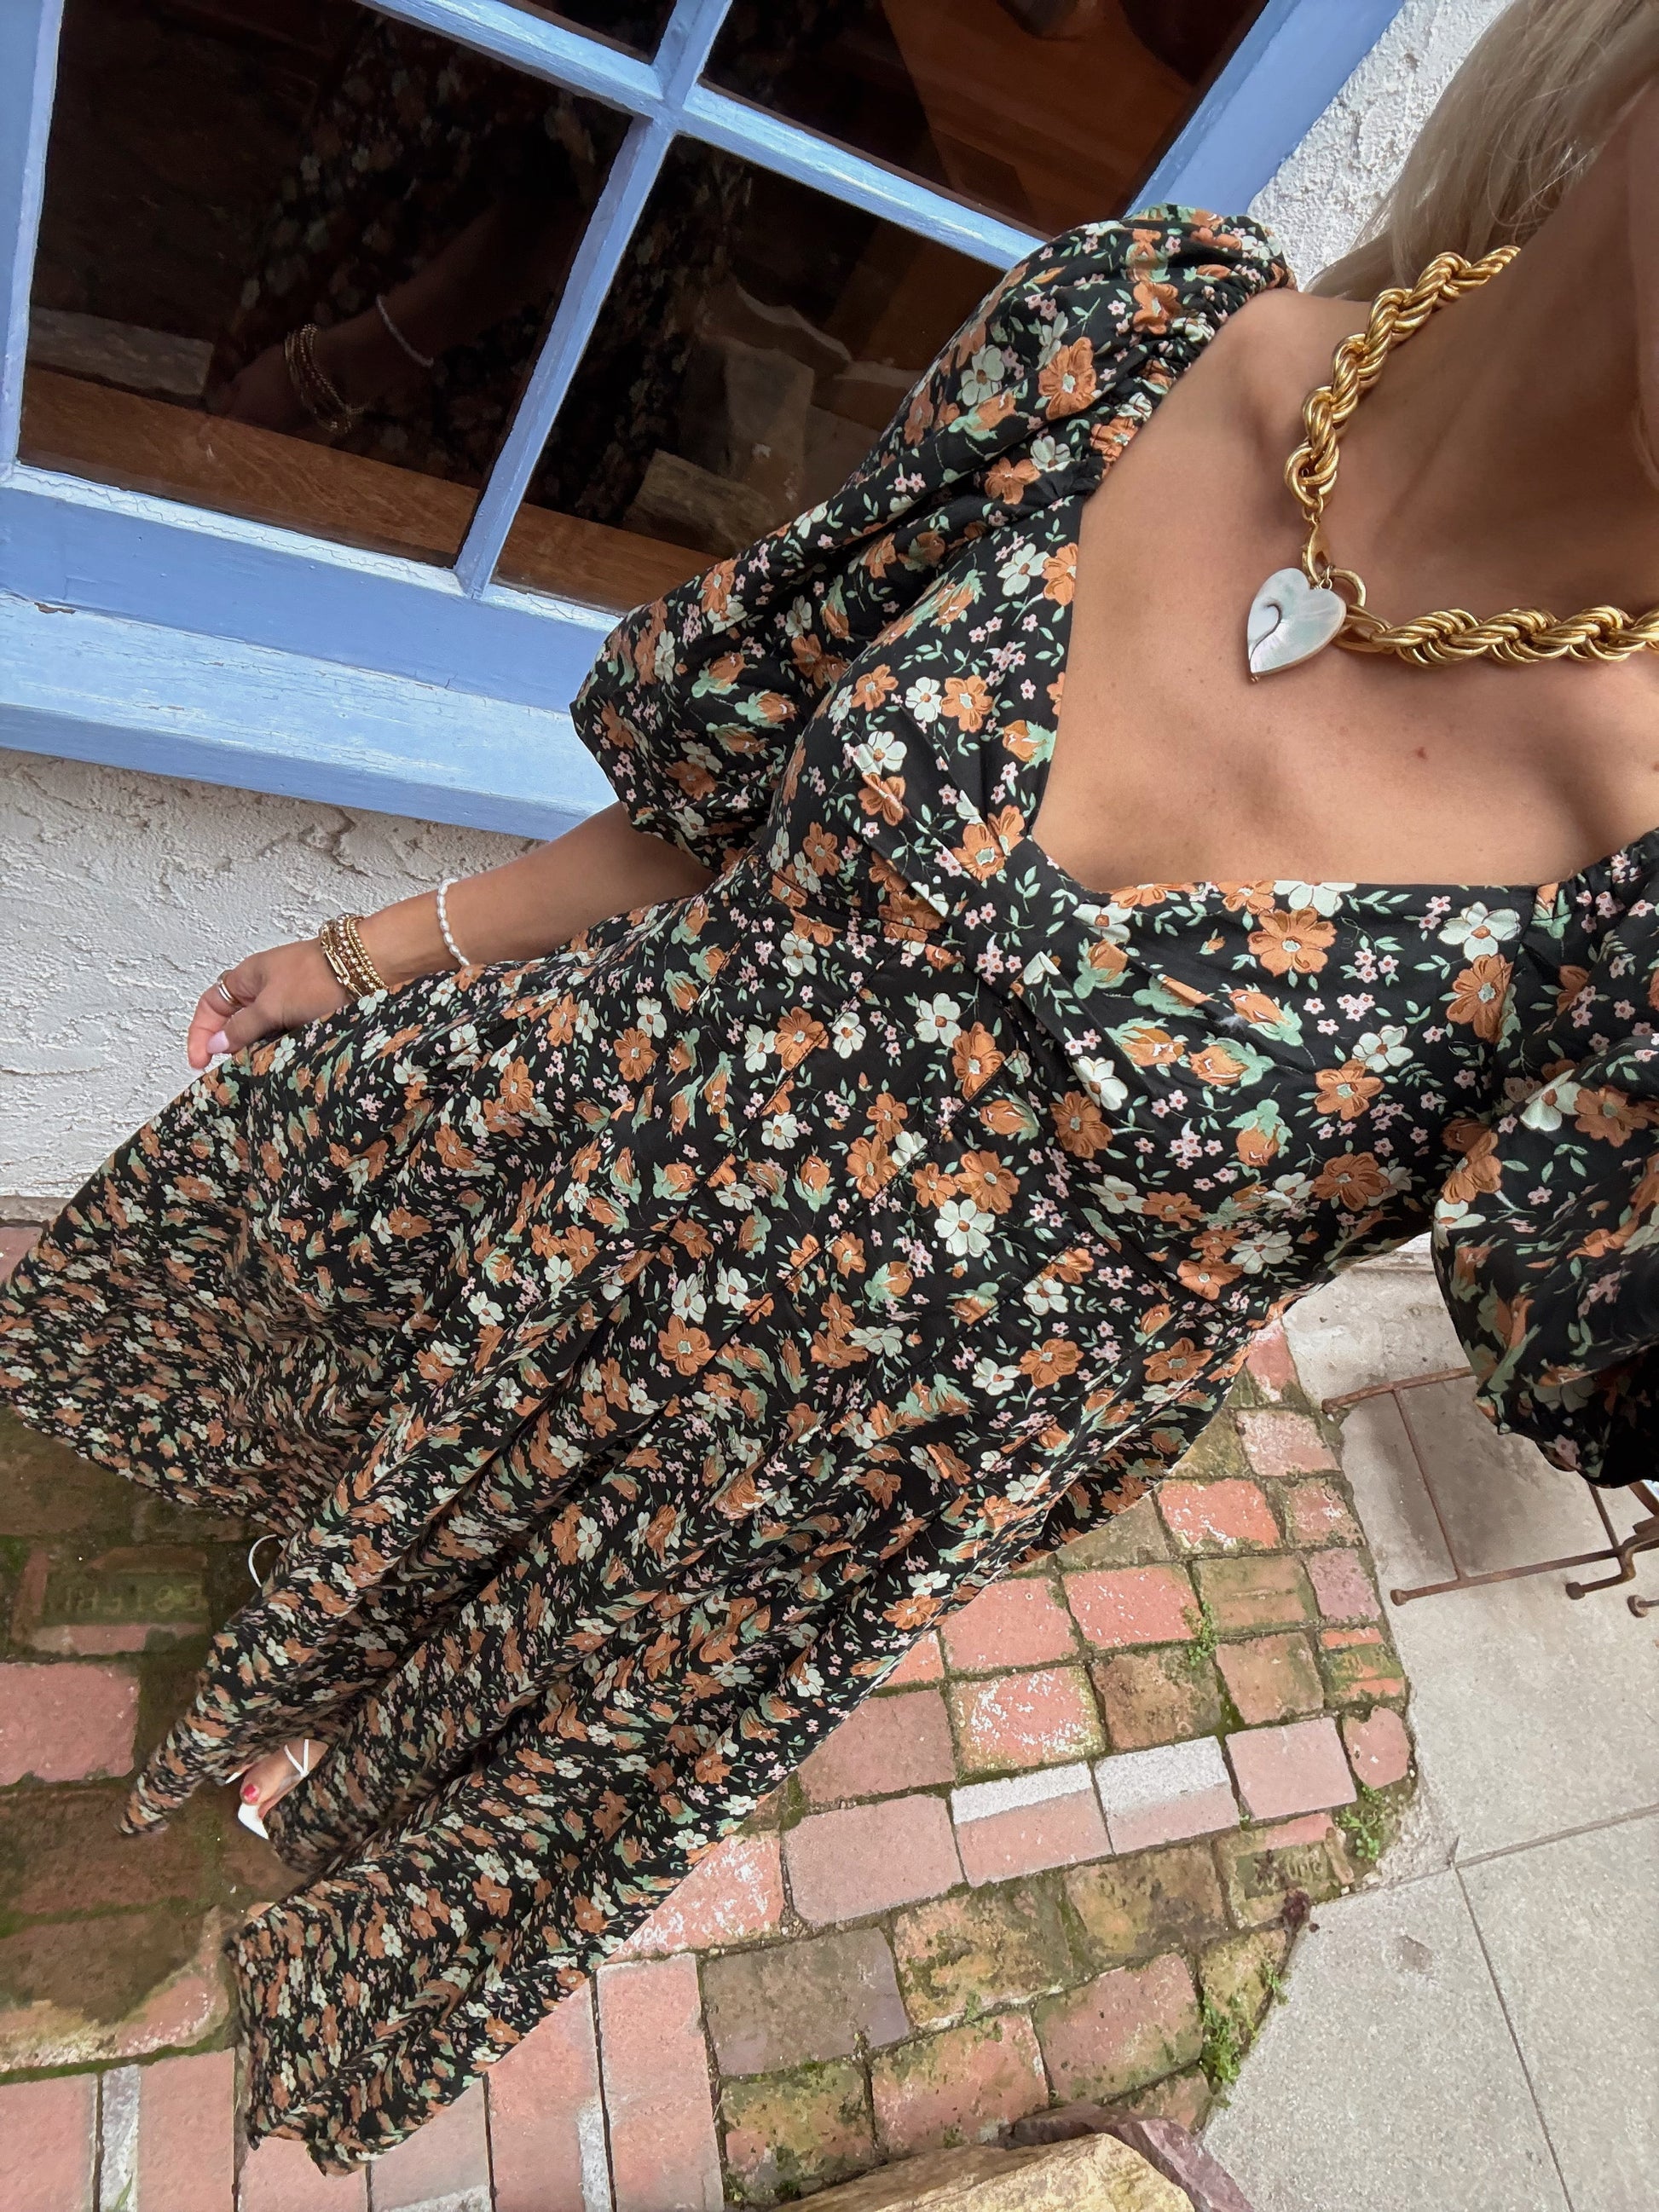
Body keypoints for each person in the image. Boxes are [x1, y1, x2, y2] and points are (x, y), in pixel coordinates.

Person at [4, 0, 1658, 2172]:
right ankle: (309, 1647)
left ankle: (344, 1735)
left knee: (434, 1777)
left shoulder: (1640, 900)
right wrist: (380, 945)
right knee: (328, 1466)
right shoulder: (1131, 347)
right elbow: (728, 794)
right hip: (567, 1164)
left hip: (793, 1506)